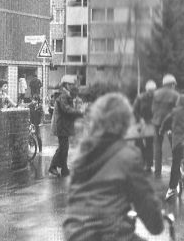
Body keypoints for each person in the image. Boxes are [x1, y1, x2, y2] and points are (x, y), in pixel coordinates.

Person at [63, 93, 164, 241]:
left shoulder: (82, 155)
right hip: (110, 235)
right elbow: (151, 216)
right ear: (124, 122)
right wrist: (157, 218)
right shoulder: (127, 155)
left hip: (74, 235)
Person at [49, 75, 83, 177]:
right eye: (70, 84)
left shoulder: (66, 94)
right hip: (61, 125)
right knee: (63, 148)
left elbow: (70, 106)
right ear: (66, 85)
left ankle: (64, 169)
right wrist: (79, 112)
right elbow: (66, 109)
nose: (72, 86)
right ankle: (53, 167)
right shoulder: (62, 95)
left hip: (64, 125)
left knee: (64, 147)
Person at [151, 74, 179, 177]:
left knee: (157, 146)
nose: (174, 86)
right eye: (174, 84)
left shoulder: (156, 93)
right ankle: (176, 171)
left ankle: (157, 172)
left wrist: (155, 118)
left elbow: (153, 109)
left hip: (157, 123)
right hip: (171, 124)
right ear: (171, 84)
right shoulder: (175, 95)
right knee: (174, 146)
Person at [133, 80, 157, 172]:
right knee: (138, 144)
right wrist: (140, 119)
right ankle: (140, 163)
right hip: (140, 123)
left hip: (151, 123)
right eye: (150, 91)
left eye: (153, 91)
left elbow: (158, 110)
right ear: (147, 90)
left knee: (149, 144)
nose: (151, 93)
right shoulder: (140, 98)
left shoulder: (156, 98)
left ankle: (149, 165)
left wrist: (155, 119)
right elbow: (134, 110)